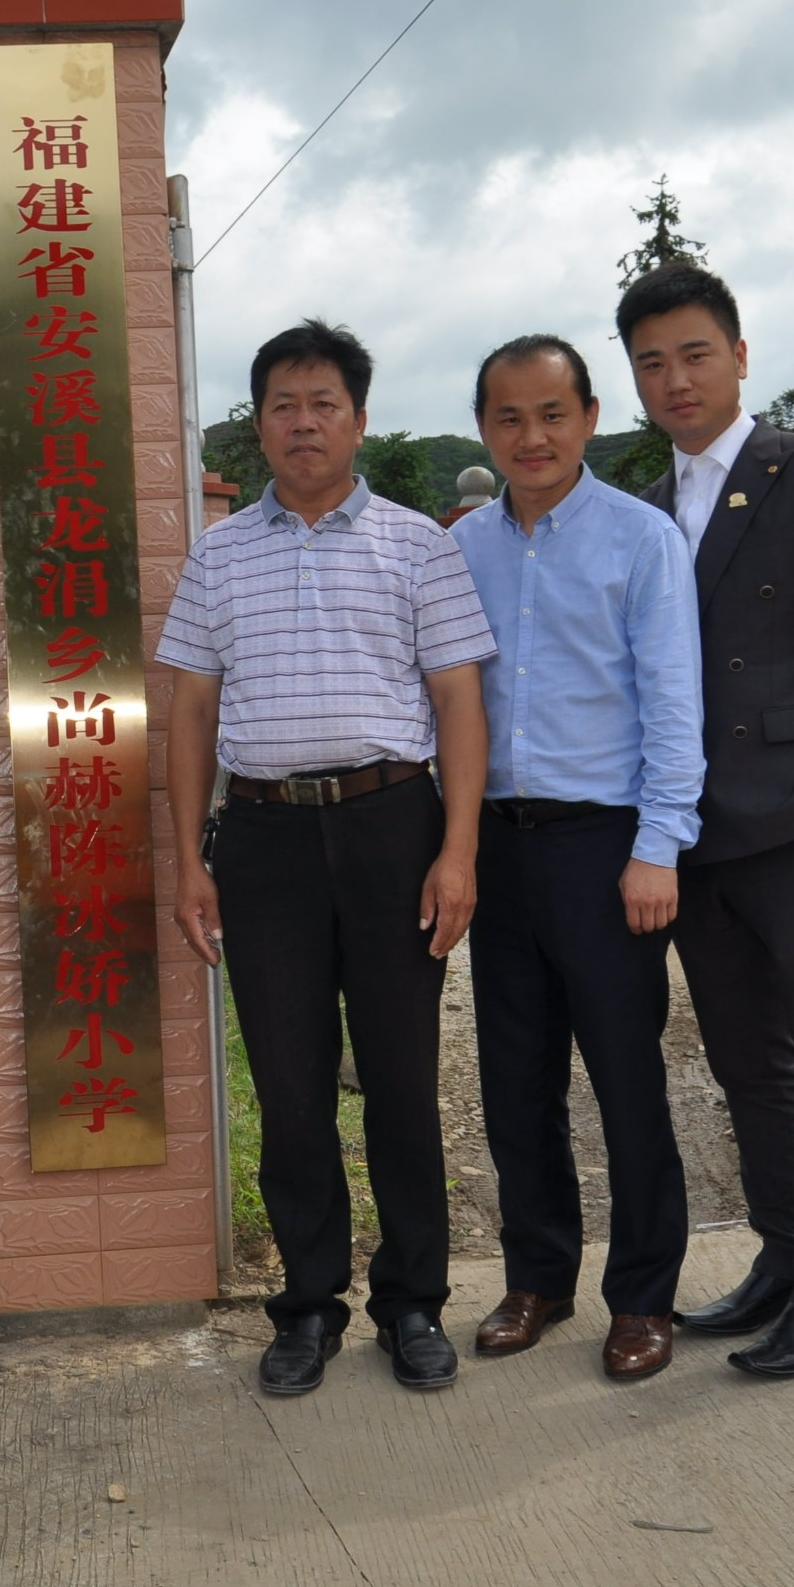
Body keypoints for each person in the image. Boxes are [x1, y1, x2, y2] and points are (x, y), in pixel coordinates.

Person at [161, 318, 496, 1398]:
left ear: (358, 418)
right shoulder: (216, 552)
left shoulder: (416, 542)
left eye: (323, 404)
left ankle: (411, 1302)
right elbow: (190, 715)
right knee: (291, 1083)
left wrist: (457, 851)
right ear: (256, 421)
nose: (302, 423)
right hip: (260, 840)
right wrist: (188, 857)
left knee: (400, 1079)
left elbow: (458, 703)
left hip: (392, 824)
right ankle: (306, 1304)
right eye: (281, 405)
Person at [620, 263, 794, 1379]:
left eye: (695, 352)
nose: (676, 377)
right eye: (652, 361)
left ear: (739, 356)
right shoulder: (645, 511)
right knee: (750, 1067)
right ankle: (784, 1257)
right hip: (698, 837)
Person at [449, 335, 702, 1382]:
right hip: (496, 846)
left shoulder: (642, 540)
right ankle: (538, 1274)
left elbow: (674, 706)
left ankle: (643, 1295)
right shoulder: (459, 545)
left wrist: (657, 848)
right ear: (484, 430)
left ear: (589, 418)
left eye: (551, 413)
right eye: (508, 418)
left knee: (627, 1079)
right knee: (513, 1079)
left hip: (604, 848)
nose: (531, 436)